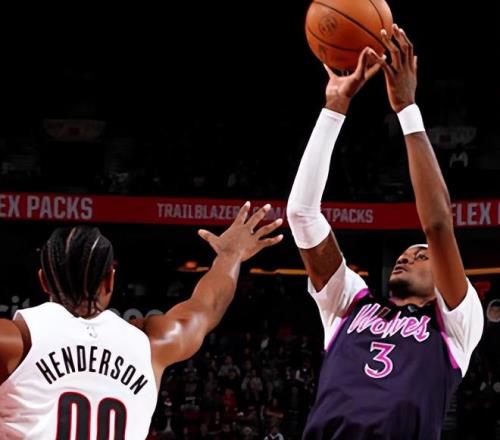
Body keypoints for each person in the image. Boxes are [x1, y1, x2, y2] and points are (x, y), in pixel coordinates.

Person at [286, 24, 484, 439]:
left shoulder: (457, 325)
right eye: (407, 253)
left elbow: (437, 225)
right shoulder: (348, 303)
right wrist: (335, 107)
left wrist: (407, 109)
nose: (407, 256)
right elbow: (302, 214)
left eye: (421, 255)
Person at [0, 202, 283, 439]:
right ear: (110, 280)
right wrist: (230, 256)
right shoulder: (150, 344)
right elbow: (207, 306)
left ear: (44, 281)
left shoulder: (15, 340)